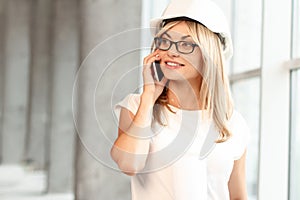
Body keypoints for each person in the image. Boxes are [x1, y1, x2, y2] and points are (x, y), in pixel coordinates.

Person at [110, 0, 250, 199]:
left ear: (209, 54)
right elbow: (128, 164)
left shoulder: (232, 123)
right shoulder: (137, 106)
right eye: (165, 42)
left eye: (186, 44)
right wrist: (149, 96)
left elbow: (237, 196)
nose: (172, 51)